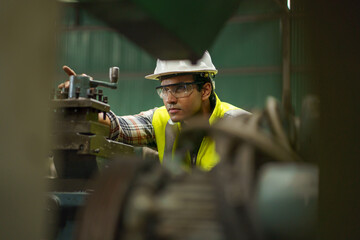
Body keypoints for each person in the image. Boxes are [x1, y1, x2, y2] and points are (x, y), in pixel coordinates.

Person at [60, 51, 249, 171]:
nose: (170, 99)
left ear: (206, 90)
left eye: (180, 88)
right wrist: (87, 105)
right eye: (165, 90)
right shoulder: (162, 120)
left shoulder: (240, 126)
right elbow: (120, 128)